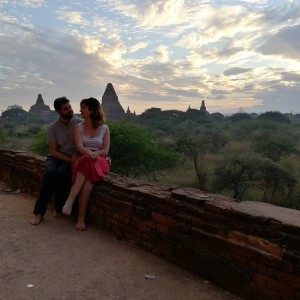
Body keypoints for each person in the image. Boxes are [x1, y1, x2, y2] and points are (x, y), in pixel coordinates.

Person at [30, 97, 82, 225]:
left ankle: (59, 208)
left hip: (73, 157)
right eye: (66, 109)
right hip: (57, 157)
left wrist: (74, 159)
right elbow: (54, 152)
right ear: (59, 112)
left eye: (70, 107)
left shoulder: (80, 124)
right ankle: (39, 213)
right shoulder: (52, 127)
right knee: (51, 172)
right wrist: (70, 161)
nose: (70, 110)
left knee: (62, 174)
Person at [62, 97, 110, 230]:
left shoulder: (105, 129)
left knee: (87, 161)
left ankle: (70, 201)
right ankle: (81, 218)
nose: (80, 110)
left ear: (92, 110)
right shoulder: (77, 127)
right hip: (83, 158)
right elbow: (79, 147)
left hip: (100, 160)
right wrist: (89, 153)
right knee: (88, 182)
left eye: (83, 107)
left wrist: (93, 154)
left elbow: (105, 151)